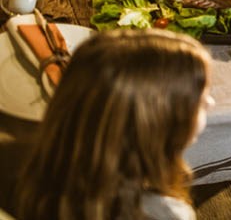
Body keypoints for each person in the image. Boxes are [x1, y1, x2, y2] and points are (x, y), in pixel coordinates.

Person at [16, 28, 213, 220]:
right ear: (153, 125)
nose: (210, 103)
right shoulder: (167, 214)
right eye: (200, 100)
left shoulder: (28, 159)